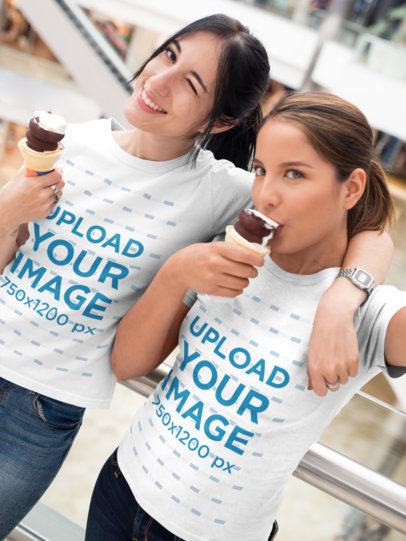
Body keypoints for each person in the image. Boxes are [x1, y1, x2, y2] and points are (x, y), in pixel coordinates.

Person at [0, 12, 390, 535]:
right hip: (120, 478)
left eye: (191, 83)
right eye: (168, 54)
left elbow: (373, 228)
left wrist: (347, 294)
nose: (158, 79)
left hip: (39, 409)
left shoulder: (226, 195)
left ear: (222, 122)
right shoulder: (75, 143)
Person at [85, 91, 406, 541]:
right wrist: (177, 274)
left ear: (350, 188)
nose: (266, 195)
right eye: (261, 170)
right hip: (121, 490)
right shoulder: (229, 250)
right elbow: (126, 365)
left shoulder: (372, 314)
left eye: (294, 174)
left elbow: (376, 242)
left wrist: (342, 298)